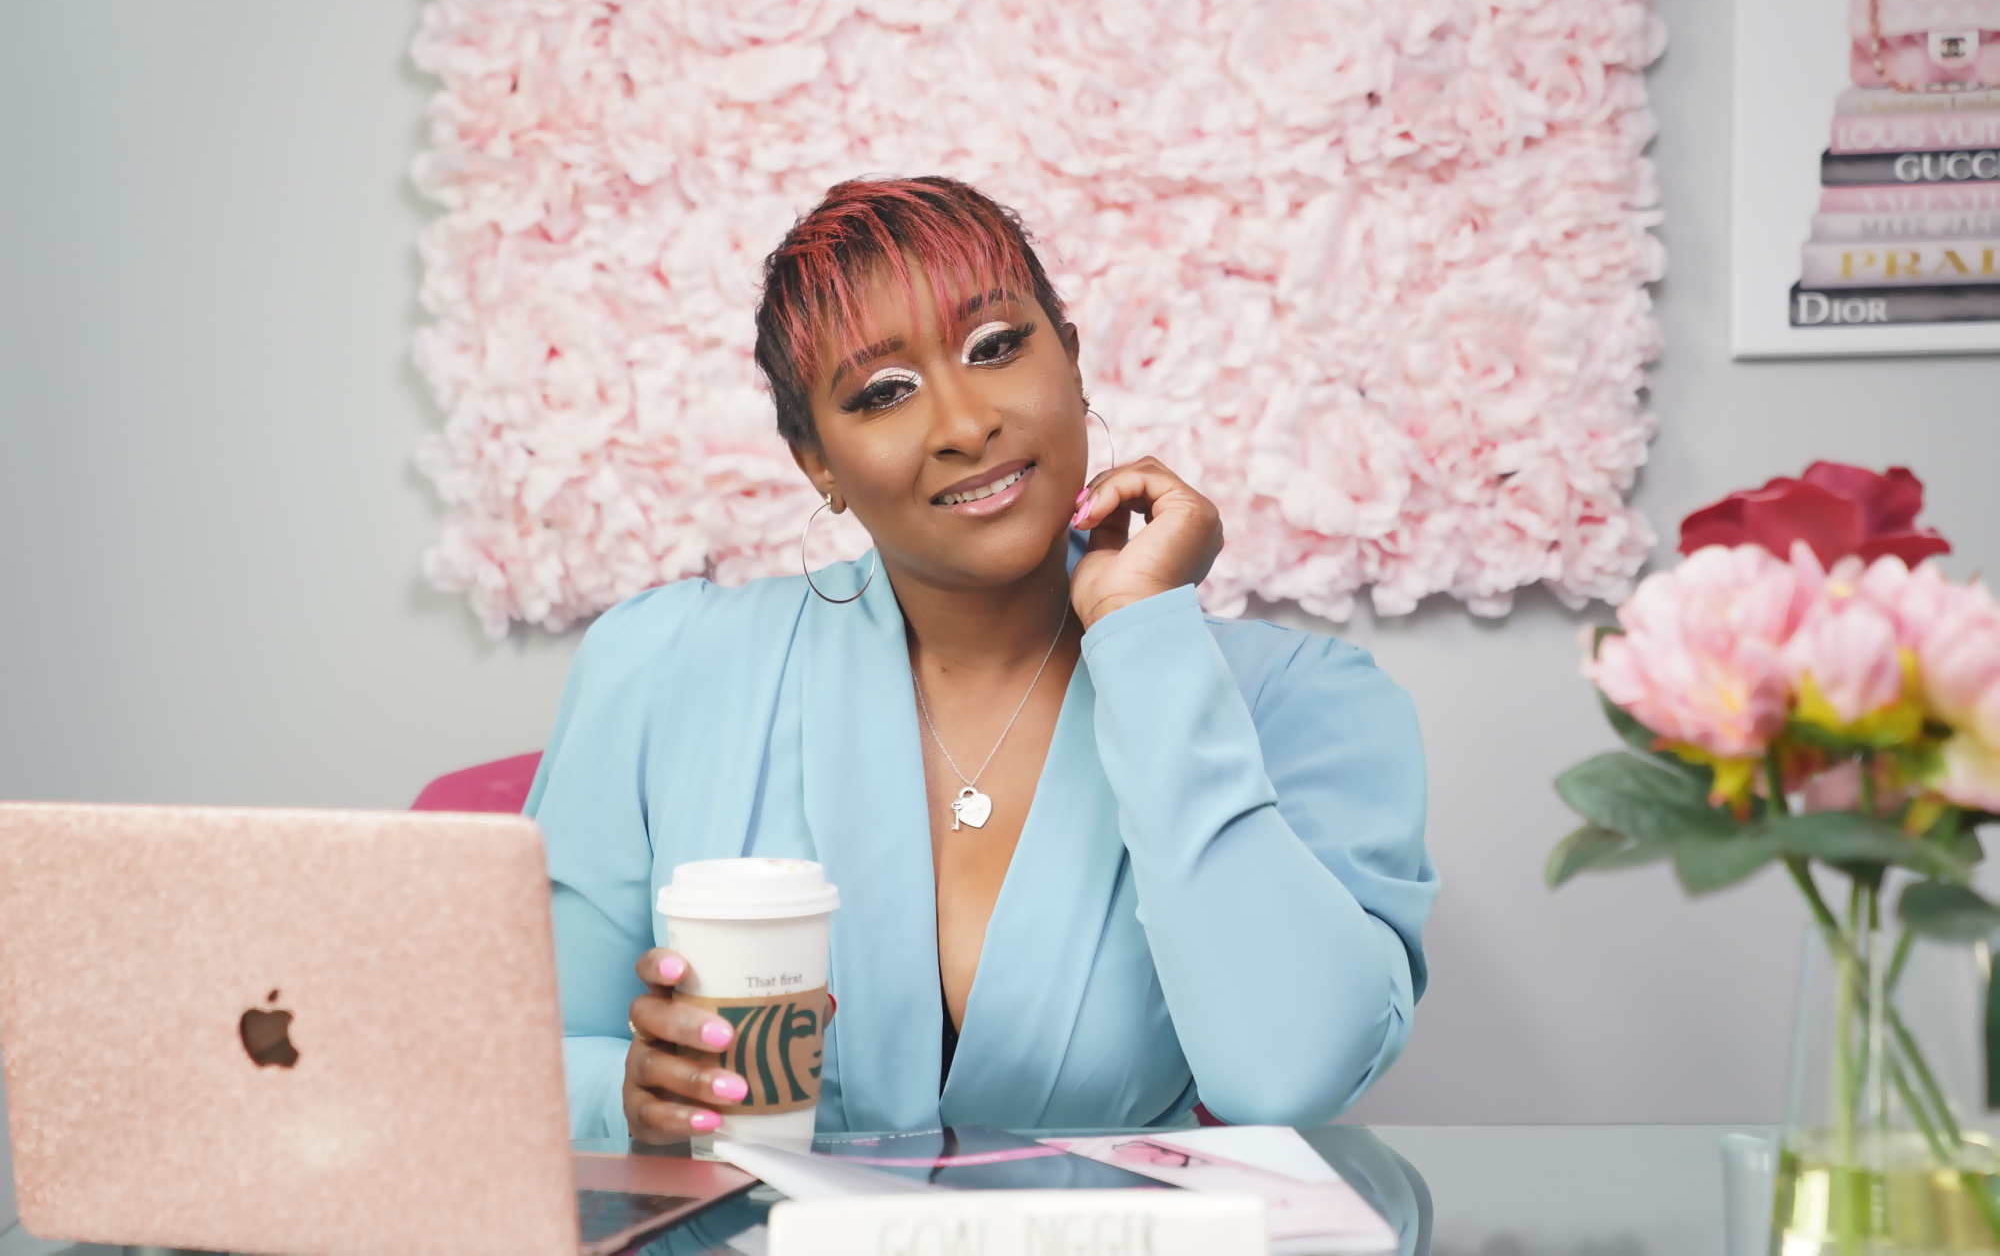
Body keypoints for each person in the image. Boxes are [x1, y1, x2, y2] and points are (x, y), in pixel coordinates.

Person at [525, 176, 1437, 1141]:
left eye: (996, 346)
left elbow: (1291, 1076)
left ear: (1073, 361)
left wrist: (1145, 640)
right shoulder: (663, 670)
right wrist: (631, 1098)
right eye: (883, 394)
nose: (964, 426)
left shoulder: (1305, 706)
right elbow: (525, 1054)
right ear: (818, 462)